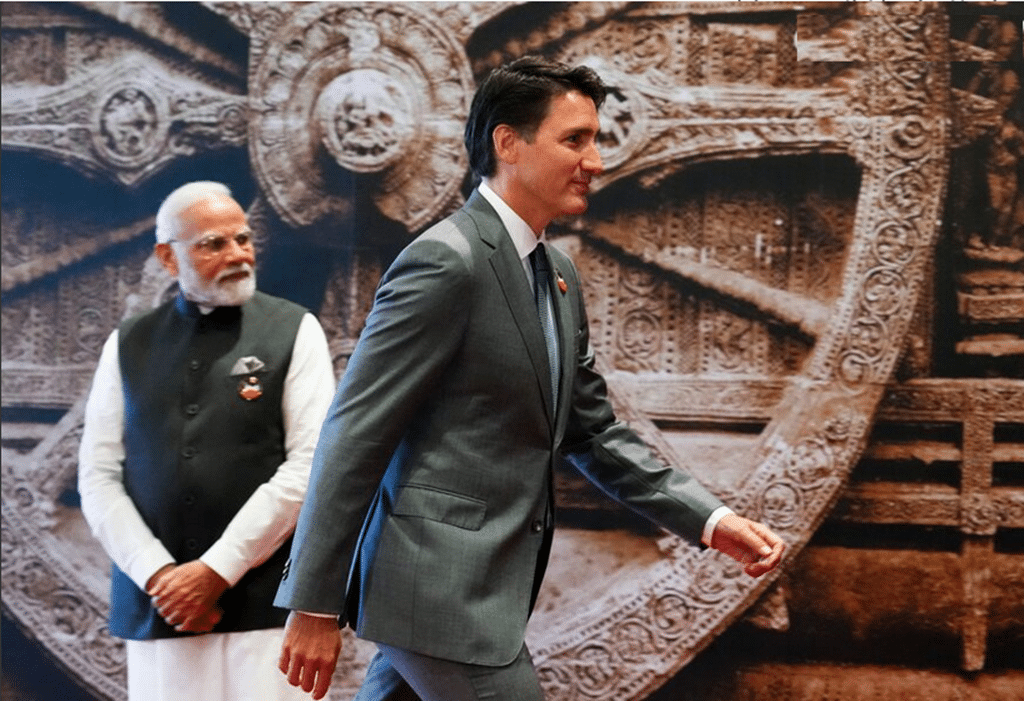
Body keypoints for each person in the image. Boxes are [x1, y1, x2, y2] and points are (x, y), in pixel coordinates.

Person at [275, 57, 786, 701]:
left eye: (594, 140)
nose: (595, 161)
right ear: (507, 143)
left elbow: (593, 434)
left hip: (461, 598)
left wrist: (711, 521)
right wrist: (314, 606)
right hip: (441, 601)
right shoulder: (444, 261)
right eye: (574, 139)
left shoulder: (559, 275)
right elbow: (355, 432)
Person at [78, 181, 336, 701]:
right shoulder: (128, 344)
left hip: (266, 613)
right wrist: (159, 575)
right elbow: (98, 475)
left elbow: (312, 466)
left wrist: (217, 570)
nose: (237, 254)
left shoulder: (295, 330)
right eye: (213, 244)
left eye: (242, 239)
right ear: (167, 258)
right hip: (161, 610)